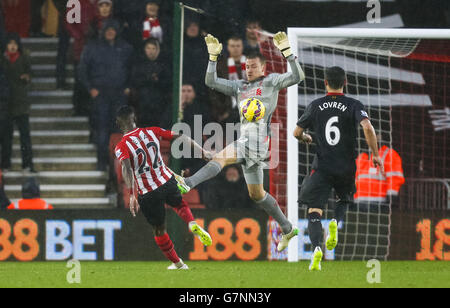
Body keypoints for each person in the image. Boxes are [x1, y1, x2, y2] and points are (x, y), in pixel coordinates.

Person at [176, 32, 305, 252]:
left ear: (263, 68)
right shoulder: (240, 87)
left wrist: (288, 54)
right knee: (257, 195)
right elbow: (210, 81)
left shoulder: (271, 81)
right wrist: (213, 58)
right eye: (247, 66)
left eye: (253, 66)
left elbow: (297, 77)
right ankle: (287, 227)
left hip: (256, 141)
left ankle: (188, 183)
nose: (249, 69)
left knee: (221, 157)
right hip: (248, 141)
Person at [293, 66, 385, 271]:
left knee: (314, 210)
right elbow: (368, 127)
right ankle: (335, 220)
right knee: (344, 199)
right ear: (346, 82)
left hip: (322, 166)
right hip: (345, 165)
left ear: (325, 82)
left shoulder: (315, 105)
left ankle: (317, 249)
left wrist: (305, 137)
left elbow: (296, 132)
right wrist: (376, 155)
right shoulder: (354, 104)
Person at [114, 105, 213, 270]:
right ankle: (190, 222)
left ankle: (178, 264)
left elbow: (126, 168)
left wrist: (132, 194)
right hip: (166, 181)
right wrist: (203, 152)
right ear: (134, 119)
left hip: (148, 193)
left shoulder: (122, 146)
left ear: (118, 123)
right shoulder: (152, 131)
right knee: (179, 204)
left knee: (159, 229)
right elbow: (181, 136)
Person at [79, 19, 133, 171]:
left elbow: (132, 68)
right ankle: (102, 164)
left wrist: (128, 87)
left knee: (119, 132)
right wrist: (91, 89)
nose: (110, 32)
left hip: (119, 95)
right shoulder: (93, 47)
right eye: (107, 29)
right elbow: (82, 70)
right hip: (101, 95)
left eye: (113, 29)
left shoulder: (125, 48)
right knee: (101, 130)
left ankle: (117, 167)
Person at [0, 33, 35, 174]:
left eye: (15, 43)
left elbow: (31, 77)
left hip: (21, 103)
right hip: (5, 104)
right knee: (6, 137)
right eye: (10, 43)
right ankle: (5, 164)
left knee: (25, 137)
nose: (13, 46)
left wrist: (27, 78)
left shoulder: (24, 58)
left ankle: (27, 164)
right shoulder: (2, 59)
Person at [130, 38, 170, 128]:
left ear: (158, 50)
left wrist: (158, 81)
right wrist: (148, 79)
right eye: (148, 48)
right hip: (143, 104)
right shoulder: (139, 64)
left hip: (160, 104)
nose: (151, 51)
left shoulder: (164, 65)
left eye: (153, 48)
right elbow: (135, 81)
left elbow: (168, 83)